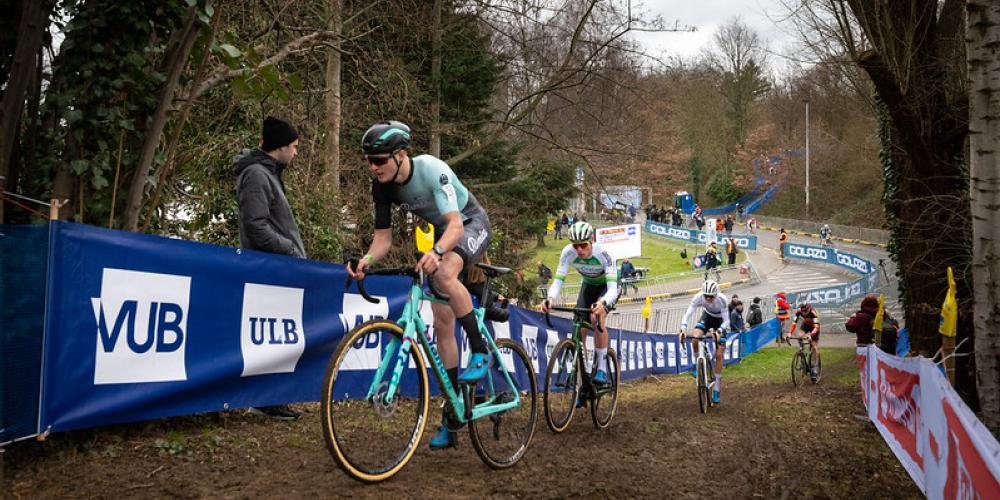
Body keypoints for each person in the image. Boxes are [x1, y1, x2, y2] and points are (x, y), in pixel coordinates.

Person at [348, 120, 493, 450]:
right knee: (442, 324)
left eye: (380, 160)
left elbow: (455, 225)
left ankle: (481, 353)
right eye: (369, 160)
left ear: (400, 155)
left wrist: (438, 251)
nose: (374, 167)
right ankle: (453, 414)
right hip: (447, 235)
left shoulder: (431, 170)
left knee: (442, 274)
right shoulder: (382, 186)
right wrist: (365, 261)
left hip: (471, 224)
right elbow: (382, 240)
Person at [234, 116, 305, 420]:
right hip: (268, 271)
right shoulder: (256, 175)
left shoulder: (269, 173)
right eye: (294, 146)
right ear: (280, 147)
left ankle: (272, 398)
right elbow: (256, 226)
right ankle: (265, 400)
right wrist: (289, 249)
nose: (296, 152)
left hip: (277, 271)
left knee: (277, 339)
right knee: (268, 340)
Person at [540, 221, 618, 389]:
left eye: (583, 245)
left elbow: (612, 289)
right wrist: (550, 298)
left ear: (591, 241)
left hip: (607, 288)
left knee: (597, 317)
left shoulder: (604, 254)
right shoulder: (568, 253)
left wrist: (602, 302)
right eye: (576, 246)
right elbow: (558, 281)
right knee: (579, 325)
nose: (580, 250)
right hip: (588, 285)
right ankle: (580, 370)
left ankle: (602, 369)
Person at [679, 280, 730, 404]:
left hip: (720, 322)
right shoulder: (698, 297)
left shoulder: (722, 300)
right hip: (707, 317)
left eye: (711, 296)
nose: (708, 298)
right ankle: (698, 364)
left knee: (719, 354)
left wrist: (719, 331)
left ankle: (716, 388)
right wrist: (683, 328)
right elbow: (687, 314)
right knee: (695, 338)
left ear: (716, 295)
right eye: (706, 296)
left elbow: (727, 321)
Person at [789, 302, 821, 380]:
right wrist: (789, 333)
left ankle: (814, 368)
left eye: (806, 312)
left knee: (814, 347)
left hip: (814, 327)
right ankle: (802, 350)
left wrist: (810, 335)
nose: (805, 314)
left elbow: (816, 327)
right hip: (806, 325)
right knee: (799, 336)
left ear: (809, 308)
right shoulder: (798, 311)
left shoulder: (813, 313)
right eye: (803, 312)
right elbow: (794, 323)